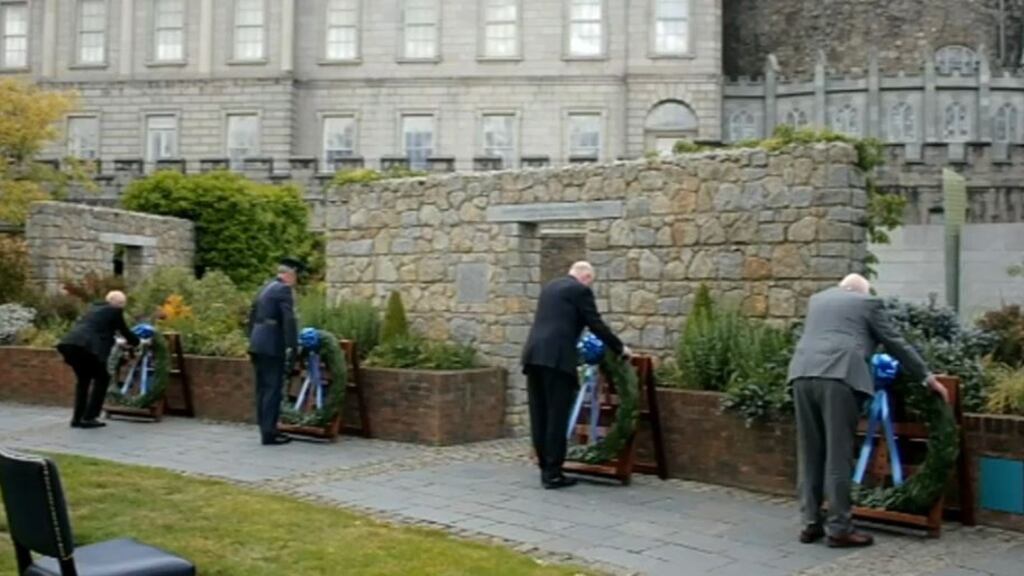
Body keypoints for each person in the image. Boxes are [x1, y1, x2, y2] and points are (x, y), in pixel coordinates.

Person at [787, 273, 949, 548]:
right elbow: (896, 342)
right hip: (839, 376)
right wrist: (927, 377)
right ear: (862, 291)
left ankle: (810, 523)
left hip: (801, 374)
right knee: (838, 455)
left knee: (810, 452)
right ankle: (839, 529)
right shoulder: (867, 303)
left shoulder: (818, 301)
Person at [521, 261, 632, 489]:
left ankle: (544, 466)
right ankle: (553, 474)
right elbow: (595, 324)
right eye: (591, 281)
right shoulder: (580, 290)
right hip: (558, 359)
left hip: (533, 355)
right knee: (556, 415)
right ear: (587, 277)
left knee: (539, 413)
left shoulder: (550, 287)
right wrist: (620, 348)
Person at [57, 290, 140, 429]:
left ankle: (77, 419)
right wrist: (138, 342)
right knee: (102, 378)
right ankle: (89, 417)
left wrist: (117, 341)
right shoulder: (114, 311)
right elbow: (124, 331)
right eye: (122, 304)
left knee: (83, 381)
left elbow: (99, 330)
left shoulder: (93, 309)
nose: (122, 307)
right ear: (116, 303)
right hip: (87, 348)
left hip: (70, 344)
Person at [247, 257, 301, 446]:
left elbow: (252, 315)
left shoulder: (265, 288)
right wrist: (293, 346)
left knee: (262, 388)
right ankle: (270, 432)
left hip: (257, 342)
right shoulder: (284, 290)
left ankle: (265, 427)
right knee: (272, 388)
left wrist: (251, 339)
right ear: (289, 275)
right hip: (271, 344)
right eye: (295, 276)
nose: (295, 281)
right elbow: (288, 320)